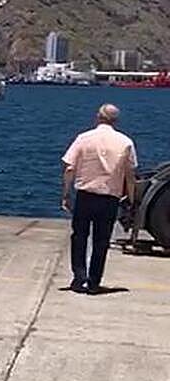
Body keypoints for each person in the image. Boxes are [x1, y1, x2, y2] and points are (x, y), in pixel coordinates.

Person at [62, 103, 137, 294]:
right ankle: (94, 282)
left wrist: (66, 193)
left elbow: (69, 168)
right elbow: (130, 175)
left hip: (85, 195)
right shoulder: (125, 142)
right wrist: (131, 198)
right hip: (109, 197)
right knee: (101, 240)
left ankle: (79, 277)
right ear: (116, 120)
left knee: (79, 236)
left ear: (98, 117)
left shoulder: (84, 138)